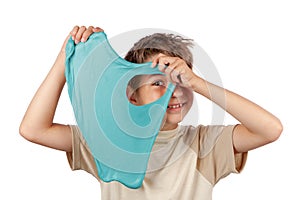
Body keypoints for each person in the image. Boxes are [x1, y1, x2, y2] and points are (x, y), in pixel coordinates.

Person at [19, 25, 283, 200]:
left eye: (181, 79)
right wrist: (65, 60)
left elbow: (271, 129)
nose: (174, 91)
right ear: (132, 94)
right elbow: (33, 129)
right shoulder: (104, 138)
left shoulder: (205, 145)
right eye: (158, 83)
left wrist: (198, 83)